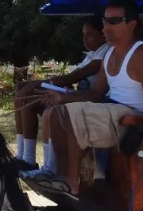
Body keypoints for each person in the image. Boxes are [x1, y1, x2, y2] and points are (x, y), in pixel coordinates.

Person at [23, 0, 143, 198]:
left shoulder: (142, 54)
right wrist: (61, 97)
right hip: (113, 112)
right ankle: (63, 175)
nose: (106, 26)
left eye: (113, 21)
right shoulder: (110, 55)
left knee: (73, 113)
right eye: (105, 21)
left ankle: (72, 183)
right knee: (56, 112)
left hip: (135, 119)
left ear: (131, 24)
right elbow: (95, 94)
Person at [13, 15, 111, 169]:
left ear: (102, 34)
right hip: (79, 96)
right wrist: (35, 84)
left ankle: (32, 161)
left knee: (34, 102)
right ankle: (22, 156)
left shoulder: (106, 52)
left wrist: (40, 83)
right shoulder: (93, 53)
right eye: (83, 35)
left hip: (90, 100)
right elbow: (71, 78)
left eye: (89, 35)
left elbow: (77, 75)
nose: (85, 39)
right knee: (24, 97)